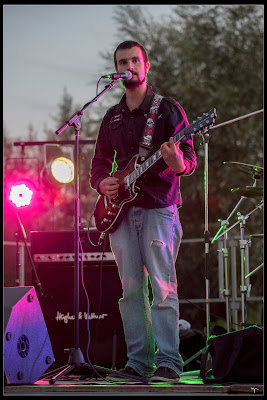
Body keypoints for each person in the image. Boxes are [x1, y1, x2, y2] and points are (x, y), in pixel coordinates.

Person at [90, 40, 197, 383]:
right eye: (123, 62)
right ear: (117, 69)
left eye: (134, 60)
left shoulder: (166, 109)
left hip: (158, 208)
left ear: (146, 65)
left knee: (163, 288)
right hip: (121, 213)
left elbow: (189, 159)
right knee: (132, 291)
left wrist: (178, 162)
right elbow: (99, 164)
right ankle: (138, 364)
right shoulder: (113, 116)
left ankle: (169, 363)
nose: (129, 66)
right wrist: (102, 183)